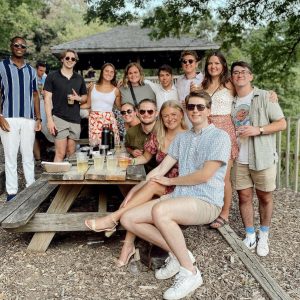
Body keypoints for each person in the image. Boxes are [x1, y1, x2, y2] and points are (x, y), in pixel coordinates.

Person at [120, 91, 231, 300]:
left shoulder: (220, 137)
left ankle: (190, 272)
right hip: (179, 196)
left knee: (160, 210)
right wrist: (137, 189)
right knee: (128, 218)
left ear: (209, 110)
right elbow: (160, 169)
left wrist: (170, 182)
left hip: (206, 201)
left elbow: (205, 175)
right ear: (187, 110)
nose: (195, 111)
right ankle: (176, 254)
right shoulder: (183, 138)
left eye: (200, 107)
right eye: (191, 107)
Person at [85, 100, 187, 267]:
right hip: (157, 180)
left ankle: (113, 220)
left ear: (181, 115)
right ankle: (127, 245)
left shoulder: (187, 136)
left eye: (173, 115)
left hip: (178, 185)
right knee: (134, 197)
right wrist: (127, 162)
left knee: (142, 192)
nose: (170, 119)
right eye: (166, 115)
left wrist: (140, 188)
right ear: (161, 117)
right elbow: (146, 158)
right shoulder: (159, 134)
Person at [231, 61, 286, 257]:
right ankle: (249, 234)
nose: (240, 75)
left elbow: (281, 123)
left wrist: (259, 130)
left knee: (265, 197)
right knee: (244, 197)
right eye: (236, 72)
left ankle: (264, 234)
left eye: (244, 72)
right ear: (232, 77)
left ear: (251, 76)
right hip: (239, 157)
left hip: (261, 157)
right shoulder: (231, 99)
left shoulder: (264, 96)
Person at [196, 51, 239, 228]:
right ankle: (207, 208)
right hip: (208, 130)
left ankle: (225, 213)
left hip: (225, 130)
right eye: (210, 64)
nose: (213, 66)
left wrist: (269, 94)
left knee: (223, 176)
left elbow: (249, 92)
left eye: (217, 63)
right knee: (207, 173)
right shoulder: (202, 84)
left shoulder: (230, 83)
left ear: (223, 66)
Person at [0, 36, 41, 201]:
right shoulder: (2, 67)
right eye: (16, 45)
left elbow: (35, 94)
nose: (19, 48)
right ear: (11, 46)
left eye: (22, 46)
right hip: (8, 117)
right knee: (10, 156)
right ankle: (12, 194)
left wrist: (38, 118)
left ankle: (30, 190)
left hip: (28, 119)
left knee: (28, 156)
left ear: (25, 49)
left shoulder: (31, 70)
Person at [44, 49, 87, 161]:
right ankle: (56, 176)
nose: (70, 60)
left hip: (75, 120)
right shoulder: (52, 76)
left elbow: (85, 97)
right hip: (59, 118)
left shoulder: (79, 78)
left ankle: (69, 178)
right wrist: (49, 120)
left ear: (75, 61)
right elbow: (47, 99)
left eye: (73, 58)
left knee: (71, 153)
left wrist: (78, 98)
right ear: (62, 59)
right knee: (60, 153)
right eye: (67, 58)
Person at [80, 63, 121, 146]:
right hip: (94, 120)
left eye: (111, 72)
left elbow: (120, 107)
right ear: (102, 72)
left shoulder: (116, 90)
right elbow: (88, 104)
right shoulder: (92, 87)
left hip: (109, 121)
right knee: (96, 147)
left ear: (114, 74)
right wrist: (75, 106)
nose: (109, 73)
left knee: (111, 146)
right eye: (106, 71)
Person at [33, 61, 51, 162]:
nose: (41, 73)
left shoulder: (45, 77)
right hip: (34, 103)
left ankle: (44, 150)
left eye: (43, 71)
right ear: (36, 69)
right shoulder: (32, 76)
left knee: (43, 128)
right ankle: (38, 155)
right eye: (40, 70)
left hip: (43, 103)